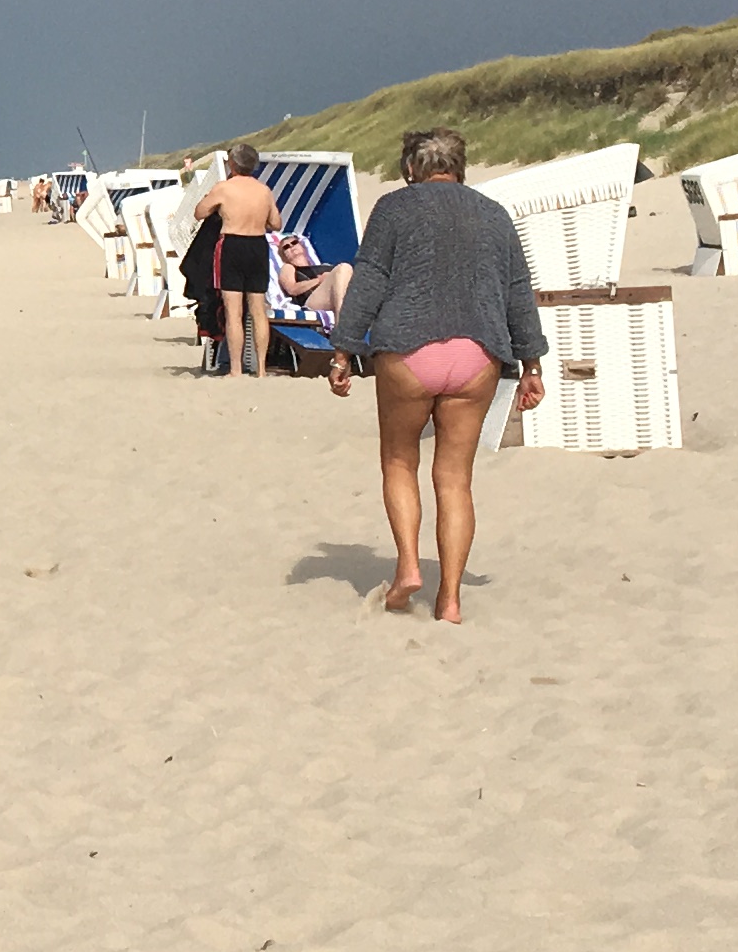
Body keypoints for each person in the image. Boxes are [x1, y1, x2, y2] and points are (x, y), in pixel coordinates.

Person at [326, 127, 549, 622]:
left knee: (399, 461)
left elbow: (370, 280)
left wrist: (343, 350)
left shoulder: (394, 209)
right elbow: (517, 291)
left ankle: (408, 567)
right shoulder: (494, 214)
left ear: (410, 169)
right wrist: (531, 363)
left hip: (409, 350)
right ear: (461, 167)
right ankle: (449, 598)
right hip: (477, 355)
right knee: (455, 478)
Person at [192, 144, 282, 384]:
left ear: (232, 164)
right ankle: (261, 368)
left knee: (234, 312)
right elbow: (276, 223)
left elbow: (199, 213)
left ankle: (235, 368)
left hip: (232, 244)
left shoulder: (224, 188)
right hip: (257, 246)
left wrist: (210, 203)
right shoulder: (264, 191)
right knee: (258, 309)